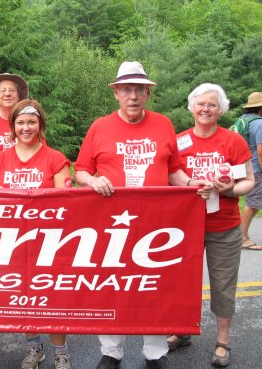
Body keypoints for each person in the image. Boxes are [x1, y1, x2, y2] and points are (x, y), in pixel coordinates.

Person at [74, 61, 211, 369]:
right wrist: (94, 180)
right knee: (112, 286)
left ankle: (155, 354)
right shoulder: (99, 127)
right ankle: (111, 351)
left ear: (148, 93)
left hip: (157, 224)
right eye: (127, 90)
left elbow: (174, 169)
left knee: (155, 286)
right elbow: (81, 170)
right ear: (116, 94)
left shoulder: (163, 124)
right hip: (112, 226)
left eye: (139, 89)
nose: (133, 95)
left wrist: (191, 185)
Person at [168, 83, 255, 367]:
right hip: (184, 226)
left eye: (212, 105)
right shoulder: (179, 141)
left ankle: (222, 341)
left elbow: (249, 181)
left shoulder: (233, 141)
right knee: (180, 284)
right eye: (201, 104)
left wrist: (229, 189)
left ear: (221, 110)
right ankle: (181, 332)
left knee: (223, 285)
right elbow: (171, 175)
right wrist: (191, 185)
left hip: (224, 226)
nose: (206, 109)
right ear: (191, 107)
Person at [0, 99, 72, 369]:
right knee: (23, 298)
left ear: (40, 125)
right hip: (11, 241)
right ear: (12, 127)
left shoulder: (56, 158)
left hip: (48, 242)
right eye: (20, 122)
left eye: (31, 122)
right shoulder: (0, 158)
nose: (26, 127)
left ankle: (61, 352)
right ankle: (34, 348)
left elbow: (66, 203)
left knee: (50, 298)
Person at [238, 92, 262, 251]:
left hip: (241, 166)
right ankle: (242, 237)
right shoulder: (261, 123)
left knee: (250, 202)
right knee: (253, 203)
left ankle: (240, 234)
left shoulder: (242, 120)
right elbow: (260, 150)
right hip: (255, 167)